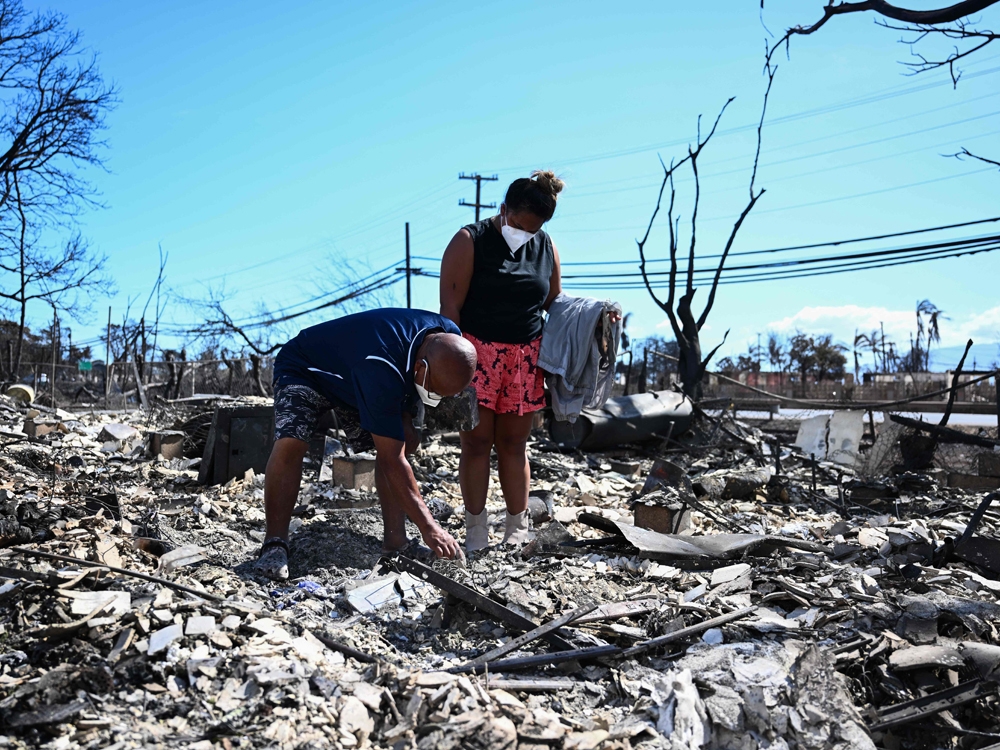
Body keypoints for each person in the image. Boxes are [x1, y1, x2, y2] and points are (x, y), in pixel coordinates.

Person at [255, 308, 478, 580]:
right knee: (292, 442)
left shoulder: (449, 338)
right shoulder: (380, 366)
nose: (435, 399)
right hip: (306, 367)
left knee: (406, 441)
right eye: (433, 392)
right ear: (421, 368)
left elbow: (403, 415)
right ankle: (274, 543)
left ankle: (396, 543)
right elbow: (391, 459)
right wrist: (431, 527)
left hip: (363, 370)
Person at [439, 170, 563, 550]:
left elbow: (556, 305)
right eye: (520, 225)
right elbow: (449, 309)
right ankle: (476, 531)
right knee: (476, 443)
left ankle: (516, 529)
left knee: (514, 445)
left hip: (525, 359)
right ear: (503, 208)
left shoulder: (546, 247)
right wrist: (453, 368)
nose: (525, 234)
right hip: (475, 354)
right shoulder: (468, 240)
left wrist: (601, 314)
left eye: (533, 229)